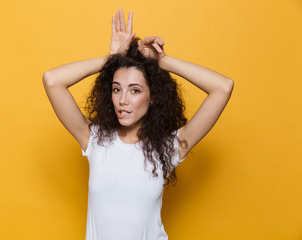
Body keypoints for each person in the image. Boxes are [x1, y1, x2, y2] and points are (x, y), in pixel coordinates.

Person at [42, 8, 233, 240]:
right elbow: (52, 81)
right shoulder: (95, 140)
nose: (123, 100)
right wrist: (111, 60)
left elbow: (222, 87)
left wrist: (162, 61)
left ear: (152, 97)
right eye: (116, 89)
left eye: (135, 90)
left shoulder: (168, 147)